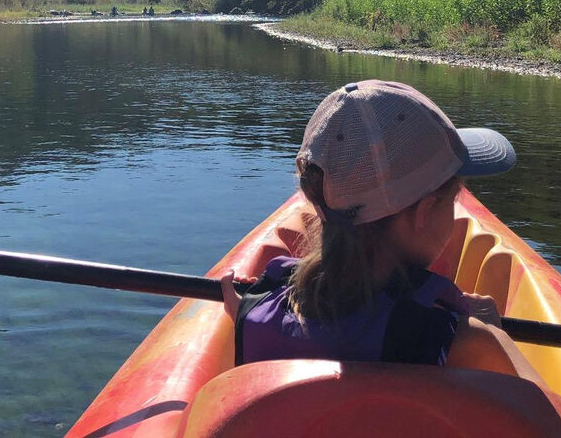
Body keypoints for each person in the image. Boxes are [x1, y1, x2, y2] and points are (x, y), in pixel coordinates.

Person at [220, 79, 539, 377]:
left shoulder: (254, 315)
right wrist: (495, 332)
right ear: (424, 212)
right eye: (451, 201)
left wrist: (244, 309)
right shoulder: (462, 340)